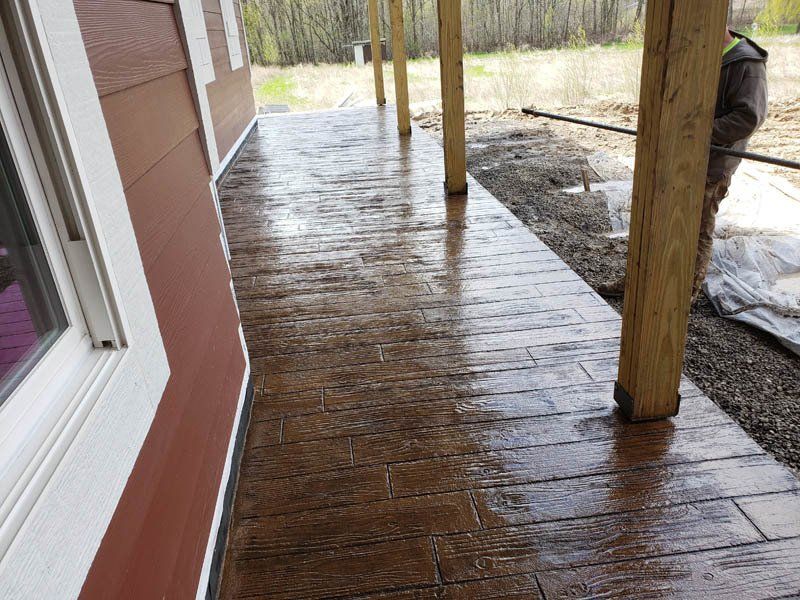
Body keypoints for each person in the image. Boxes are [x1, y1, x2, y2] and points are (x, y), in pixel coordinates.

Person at [597, 26, 769, 303]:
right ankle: (637, 281)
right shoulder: (699, 54)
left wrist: (695, 132)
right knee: (653, 217)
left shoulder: (746, 64)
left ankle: (683, 295)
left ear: (717, 23)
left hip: (712, 162)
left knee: (697, 227)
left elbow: (749, 118)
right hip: (674, 155)